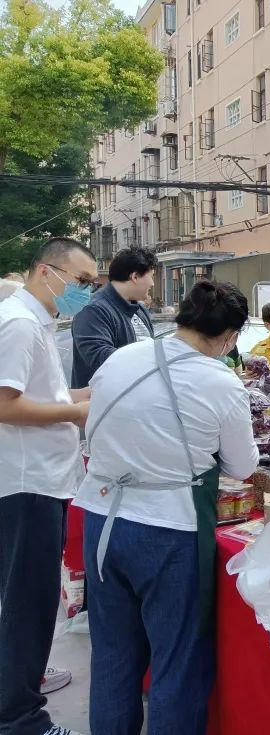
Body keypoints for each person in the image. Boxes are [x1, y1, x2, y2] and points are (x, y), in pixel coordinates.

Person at [74, 280, 259, 735]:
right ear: (230, 336)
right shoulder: (220, 381)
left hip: (102, 517)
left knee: (113, 654)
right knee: (177, 661)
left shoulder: (122, 358)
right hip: (168, 530)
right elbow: (242, 465)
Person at [0, 237, 95, 735]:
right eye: (80, 281)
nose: (85, 292)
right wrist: (75, 412)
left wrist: (93, 392)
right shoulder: (18, 324)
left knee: (27, 602)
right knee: (28, 605)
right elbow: (5, 404)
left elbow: (45, 394)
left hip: (41, 481)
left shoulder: (35, 322)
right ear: (46, 272)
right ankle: (20, 719)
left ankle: (19, 686)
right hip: (27, 484)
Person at [70, 246, 157, 389]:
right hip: (104, 400)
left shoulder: (139, 309)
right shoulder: (93, 310)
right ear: (135, 277)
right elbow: (100, 357)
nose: (152, 283)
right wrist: (154, 357)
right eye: (151, 276)